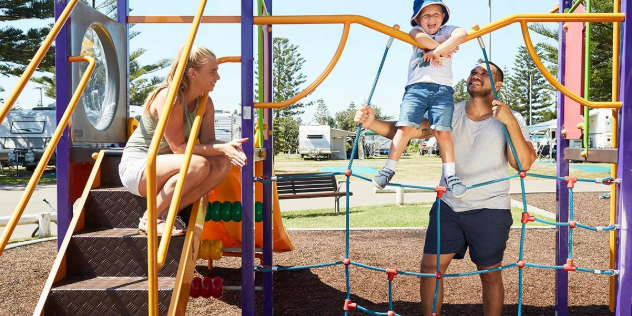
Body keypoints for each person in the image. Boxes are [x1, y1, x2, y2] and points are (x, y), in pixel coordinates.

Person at [355, 62, 536, 316]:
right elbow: (411, 130)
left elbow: (523, 163)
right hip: (448, 206)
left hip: (490, 208)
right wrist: (372, 123)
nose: (476, 76)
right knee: (430, 268)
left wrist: (508, 122)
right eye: (474, 72)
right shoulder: (452, 112)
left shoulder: (512, 117)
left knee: (490, 275)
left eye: (485, 74)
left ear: (498, 86)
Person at [119, 45, 248, 236]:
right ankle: (150, 218)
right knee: (198, 164)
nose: (217, 78)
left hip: (171, 165)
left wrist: (227, 147)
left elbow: (209, 141)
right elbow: (178, 148)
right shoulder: (169, 97)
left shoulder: (205, 102)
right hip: (139, 167)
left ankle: (171, 212)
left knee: (222, 163)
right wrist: (221, 148)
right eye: (212, 72)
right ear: (192, 73)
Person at [373, 0, 468, 199]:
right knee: (405, 127)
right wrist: (442, 49)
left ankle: (451, 175)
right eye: (426, 15)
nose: (431, 19)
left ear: (443, 17)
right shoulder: (416, 32)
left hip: (443, 90)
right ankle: (388, 169)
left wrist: (437, 52)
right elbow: (421, 39)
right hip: (416, 88)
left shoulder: (448, 30)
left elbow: (462, 35)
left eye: (436, 14)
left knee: (442, 132)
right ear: (417, 19)